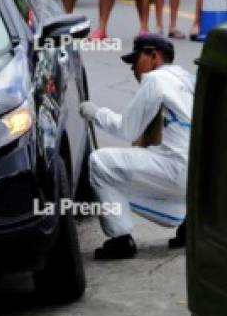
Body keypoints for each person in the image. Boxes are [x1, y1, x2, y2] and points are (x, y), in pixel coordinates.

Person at [79, 34, 195, 259]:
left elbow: (127, 129)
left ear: (154, 56)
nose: (133, 69)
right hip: (199, 177)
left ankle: (120, 238)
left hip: (177, 171)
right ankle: (188, 224)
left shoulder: (155, 79)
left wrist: (96, 113)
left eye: (136, 61)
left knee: (100, 162)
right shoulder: (187, 78)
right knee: (145, 159)